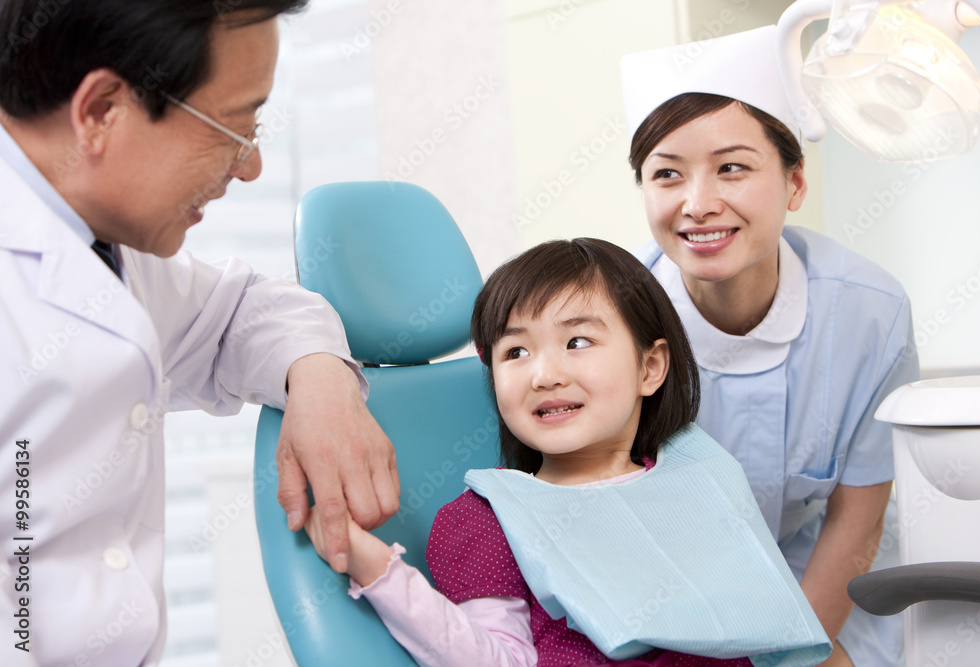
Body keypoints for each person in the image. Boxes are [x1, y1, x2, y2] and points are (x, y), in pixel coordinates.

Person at [0, 1, 399, 664]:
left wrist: (321, 377)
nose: (250, 166)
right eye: (232, 126)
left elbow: (244, 313)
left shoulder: (103, 246)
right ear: (101, 111)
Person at [306, 238, 832, 666]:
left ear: (650, 368)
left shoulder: (700, 475)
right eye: (516, 351)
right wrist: (377, 568)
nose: (545, 374)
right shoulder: (491, 518)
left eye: (577, 342)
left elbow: (767, 628)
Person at [620, 25, 920, 667]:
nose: (698, 204)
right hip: (663, 599)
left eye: (732, 167)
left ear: (795, 183)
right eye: (666, 174)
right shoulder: (611, 320)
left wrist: (801, 652)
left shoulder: (871, 313)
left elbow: (857, 517)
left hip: (826, 585)